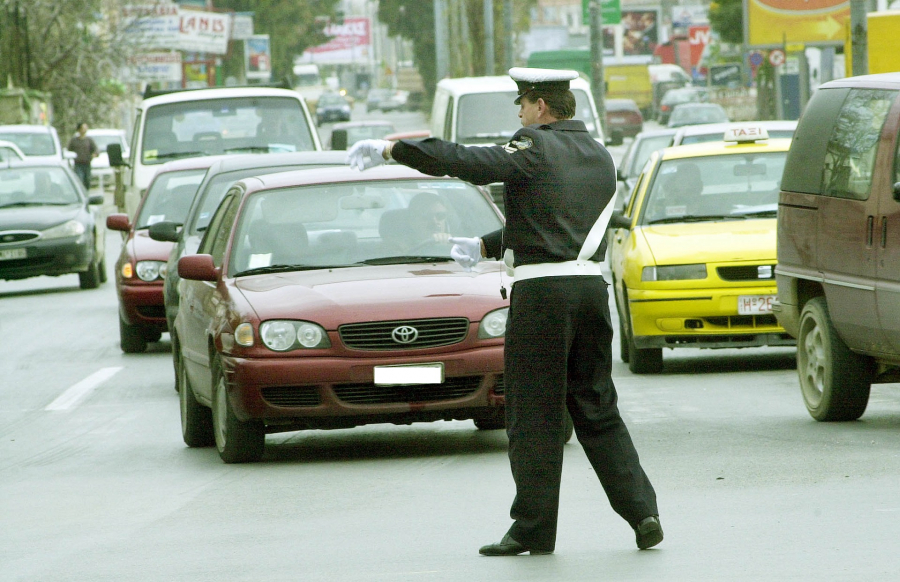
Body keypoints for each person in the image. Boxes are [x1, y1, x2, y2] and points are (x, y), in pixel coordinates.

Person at [348, 67, 662, 555]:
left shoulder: (534, 146)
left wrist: (396, 149)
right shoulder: (598, 154)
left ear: (539, 105)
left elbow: (468, 161)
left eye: (521, 103)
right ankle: (643, 512)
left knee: (534, 414)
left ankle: (533, 528)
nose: (518, 112)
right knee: (598, 408)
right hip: (588, 293)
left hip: (543, 299)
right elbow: (560, 223)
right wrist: (485, 245)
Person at [67, 122, 98, 190]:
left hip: (87, 163)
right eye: (83, 128)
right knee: (79, 179)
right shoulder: (74, 140)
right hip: (78, 164)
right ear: (79, 129)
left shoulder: (89, 140)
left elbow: (96, 149)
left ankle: (86, 192)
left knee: (87, 180)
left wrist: (94, 154)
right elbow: (69, 150)